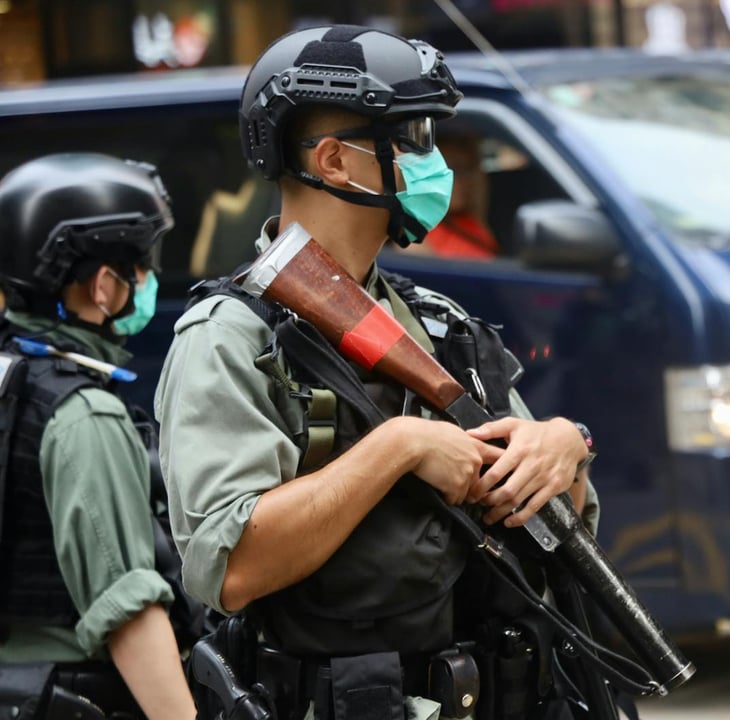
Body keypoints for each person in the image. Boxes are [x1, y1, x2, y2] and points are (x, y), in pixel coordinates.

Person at [154, 26, 601, 719]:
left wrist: (565, 448)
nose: (438, 161)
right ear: (333, 160)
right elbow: (230, 568)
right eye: (413, 137)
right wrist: (398, 448)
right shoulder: (233, 338)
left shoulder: (438, 325)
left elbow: (549, 525)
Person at [0, 154, 199, 719]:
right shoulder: (85, 414)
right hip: (72, 696)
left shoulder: (11, 376)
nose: (149, 280)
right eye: (141, 266)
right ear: (105, 285)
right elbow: (129, 611)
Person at [402, 134, 500, 259]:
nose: (467, 180)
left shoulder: (470, 221)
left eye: (468, 169)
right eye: (455, 170)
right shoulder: (416, 234)